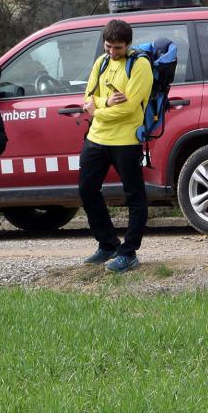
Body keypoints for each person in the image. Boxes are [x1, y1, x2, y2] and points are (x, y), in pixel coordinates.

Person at [78, 19, 153, 273]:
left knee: (134, 195)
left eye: (118, 48)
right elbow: (87, 98)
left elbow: (129, 108)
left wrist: (97, 109)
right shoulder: (101, 63)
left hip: (126, 140)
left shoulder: (140, 65)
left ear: (128, 45)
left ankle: (129, 252)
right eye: (108, 46)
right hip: (96, 138)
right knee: (87, 190)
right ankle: (107, 244)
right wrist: (106, 103)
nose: (112, 52)